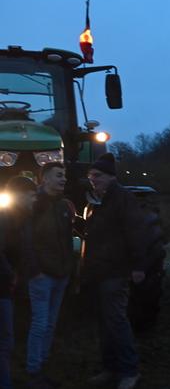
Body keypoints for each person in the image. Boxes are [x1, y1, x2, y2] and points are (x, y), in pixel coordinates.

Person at [82, 153, 147, 389]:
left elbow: (137, 233)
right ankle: (110, 368)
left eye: (97, 176)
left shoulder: (123, 199)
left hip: (116, 271)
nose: (93, 180)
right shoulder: (97, 201)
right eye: (90, 176)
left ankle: (130, 370)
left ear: (110, 177)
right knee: (104, 322)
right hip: (98, 271)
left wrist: (139, 265)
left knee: (116, 321)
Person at [24, 163, 74, 388]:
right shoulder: (34, 205)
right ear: (44, 179)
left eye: (64, 176)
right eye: (59, 176)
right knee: (41, 323)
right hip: (42, 275)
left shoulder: (64, 206)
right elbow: (26, 240)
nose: (64, 179)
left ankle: (42, 365)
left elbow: (67, 239)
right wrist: (35, 270)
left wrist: (69, 268)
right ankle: (33, 369)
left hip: (61, 274)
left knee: (51, 323)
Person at [0, 176, 38, 389]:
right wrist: (11, 277)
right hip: (2, 288)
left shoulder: (21, 219)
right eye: (32, 196)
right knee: (4, 342)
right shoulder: (6, 218)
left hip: (7, 288)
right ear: (20, 196)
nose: (35, 201)